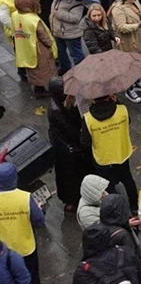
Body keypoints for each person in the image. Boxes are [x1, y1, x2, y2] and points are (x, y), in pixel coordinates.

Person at [80, 93, 139, 207]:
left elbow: (85, 142)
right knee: (128, 179)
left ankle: (118, 208)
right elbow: (128, 121)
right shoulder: (122, 110)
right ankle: (135, 206)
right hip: (122, 153)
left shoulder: (88, 118)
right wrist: (117, 102)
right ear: (110, 96)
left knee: (109, 185)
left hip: (102, 158)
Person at [46, 77, 87, 213]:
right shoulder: (57, 110)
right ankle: (72, 200)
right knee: (70, 175)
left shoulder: (60, 103)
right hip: (67, 147)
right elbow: (71, 130)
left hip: (66, 145)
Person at [0, 162, 42, 284]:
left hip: (4, 252)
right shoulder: (25, 197)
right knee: (31, 279)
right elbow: (39, 221)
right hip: (26, 249)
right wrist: (39, 209)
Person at [12, 0, 55, 96]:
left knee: (32, 70)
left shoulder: (15, 15)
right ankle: (42, 89)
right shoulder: (34, 19)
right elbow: (44, 36)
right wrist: (51, 45)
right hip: (39, 49)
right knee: (44, 70)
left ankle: (37, 87)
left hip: (24, 47)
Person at [49, 0, 86, 73]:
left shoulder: (77, 1)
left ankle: (82, 71)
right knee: (61, 52)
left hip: (71, 34)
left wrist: (58, 14)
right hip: (57, 31)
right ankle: (65, 68)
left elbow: (76, 18)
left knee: (76, 54)